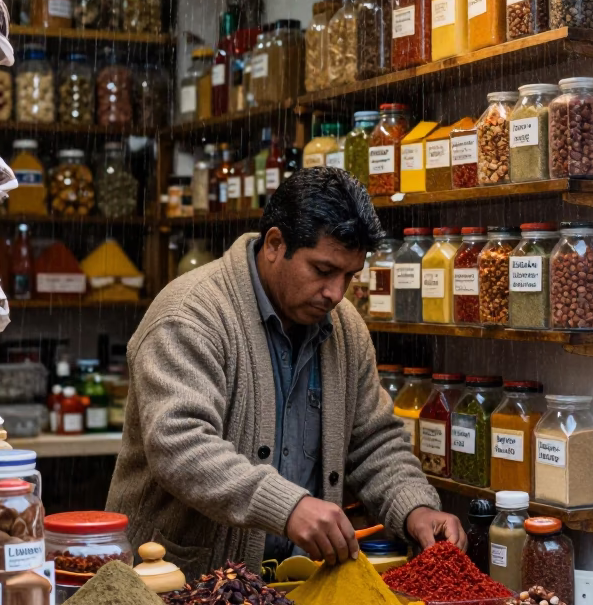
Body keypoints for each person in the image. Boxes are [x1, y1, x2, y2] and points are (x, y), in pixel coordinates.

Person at [107, 167, 466, 576]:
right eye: (323, 270)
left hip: (295, 586)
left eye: (349, 275)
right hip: (179, 582)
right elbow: (179, 445)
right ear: (275, 244)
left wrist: (414, 506)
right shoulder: (190, 316)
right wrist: (287, 506)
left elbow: (373, 441)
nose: (336, 292)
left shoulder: (345, 327)